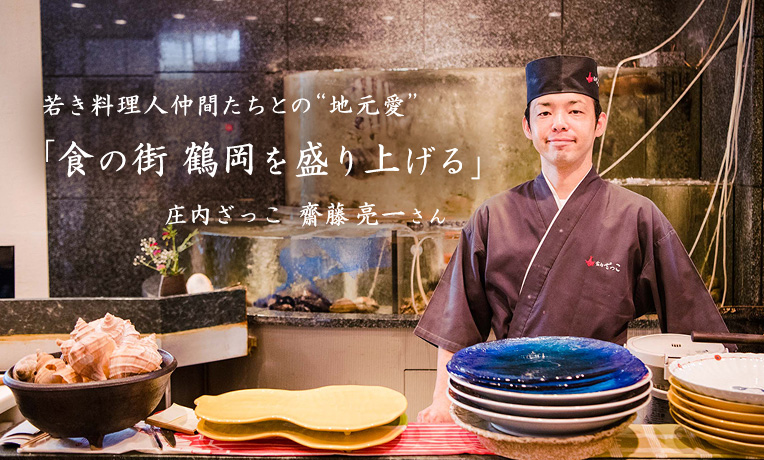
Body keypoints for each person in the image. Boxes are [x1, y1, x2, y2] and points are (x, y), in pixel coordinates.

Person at [414, 55, 733, 423]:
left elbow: (693, 322)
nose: (559, 123)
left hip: (603, 406)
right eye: (545, 112)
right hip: (508, 406)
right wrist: (442, 401)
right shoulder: (493, 216)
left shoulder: (637, 216)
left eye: (575, 111)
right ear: (527, 126)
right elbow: (457, 326)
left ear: (599, 123)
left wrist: (718, 401)